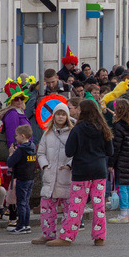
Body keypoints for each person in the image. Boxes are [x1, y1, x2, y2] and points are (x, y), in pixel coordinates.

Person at [48, 100, 114, 246]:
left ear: (82, 111)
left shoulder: (77, 129)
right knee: (99, 205)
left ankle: (67, 237)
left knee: (76, 206)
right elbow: (110, 151)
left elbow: (69, 151)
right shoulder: (103, 128)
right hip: (99, 170)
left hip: (81, 171)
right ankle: (99, 237)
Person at [33, 103, 74, 242]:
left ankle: (65, 234)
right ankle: (47, 234)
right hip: (50, 175)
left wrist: (69, 165)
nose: (61, 116)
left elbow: (77, 153)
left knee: (69, 208)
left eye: (63, 114)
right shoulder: (47, 133)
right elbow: (40, 153)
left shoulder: (73, 133)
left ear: (67, 116)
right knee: (47, 207)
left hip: (66, 175)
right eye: (58, 113)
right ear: (54, 115)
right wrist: (45, 166)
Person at [107, 100, 129, 224]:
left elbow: (116, 146)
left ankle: (124, 212)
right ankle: (128, 212)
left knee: (123, 186)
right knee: (128, 185)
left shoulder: (118, 126)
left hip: (121, 158)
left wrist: (111, 163)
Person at [5, 124, 37, 234]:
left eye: (17, 135)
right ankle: (26, 224)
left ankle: (21, 225)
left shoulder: (21, 150)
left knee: (21, 203)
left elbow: (10, 162)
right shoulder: (32, 147)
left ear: (22, 136)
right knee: (26, 203)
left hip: (22, 178)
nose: (15, 137)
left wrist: (11, 153)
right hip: (30, 178)